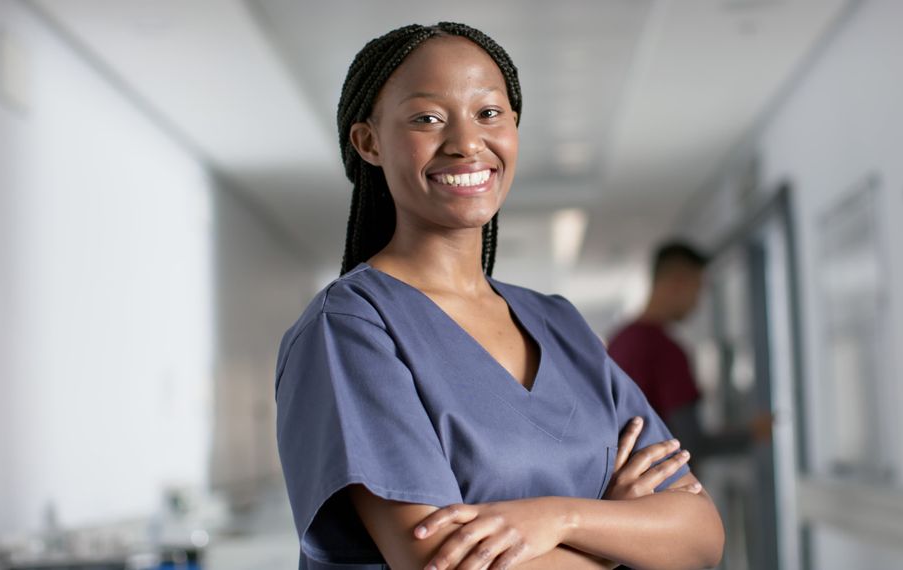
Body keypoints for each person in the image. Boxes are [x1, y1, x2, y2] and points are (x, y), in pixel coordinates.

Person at [274, 23, 724, 570]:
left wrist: (563, 518)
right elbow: (443, 563)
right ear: (368, 141)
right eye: (427, 118)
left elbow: (699, 538)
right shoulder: (350, 327)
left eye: (489, 113)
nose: (466, 142)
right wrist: (617, 539)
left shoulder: (559, 322)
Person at [607, 242, 773, 465]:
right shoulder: (666, 350)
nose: (698, 302)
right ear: (678, 283)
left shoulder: (620, 339)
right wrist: (752, 433)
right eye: (697, 289)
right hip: (665, 487)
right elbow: (690, 444)